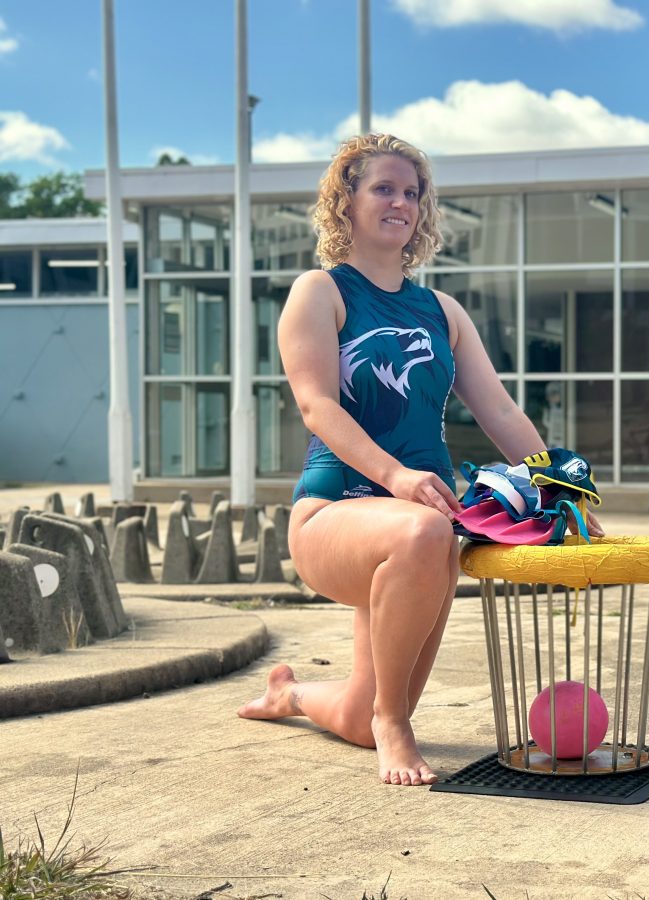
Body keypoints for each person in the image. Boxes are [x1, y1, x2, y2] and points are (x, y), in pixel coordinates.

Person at [237, 134, 601, 786]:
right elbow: (318, 407)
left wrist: (560, 487)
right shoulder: (319, 293)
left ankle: (290, 696)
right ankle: (394, 727)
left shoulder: (443, 311)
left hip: (417, 535)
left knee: (355, 711)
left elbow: (502, 415)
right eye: (383, 188)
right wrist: (398, 477)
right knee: (429, 529)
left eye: (412, 192)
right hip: (334, 516)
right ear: (344, 200)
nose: (401, 202)